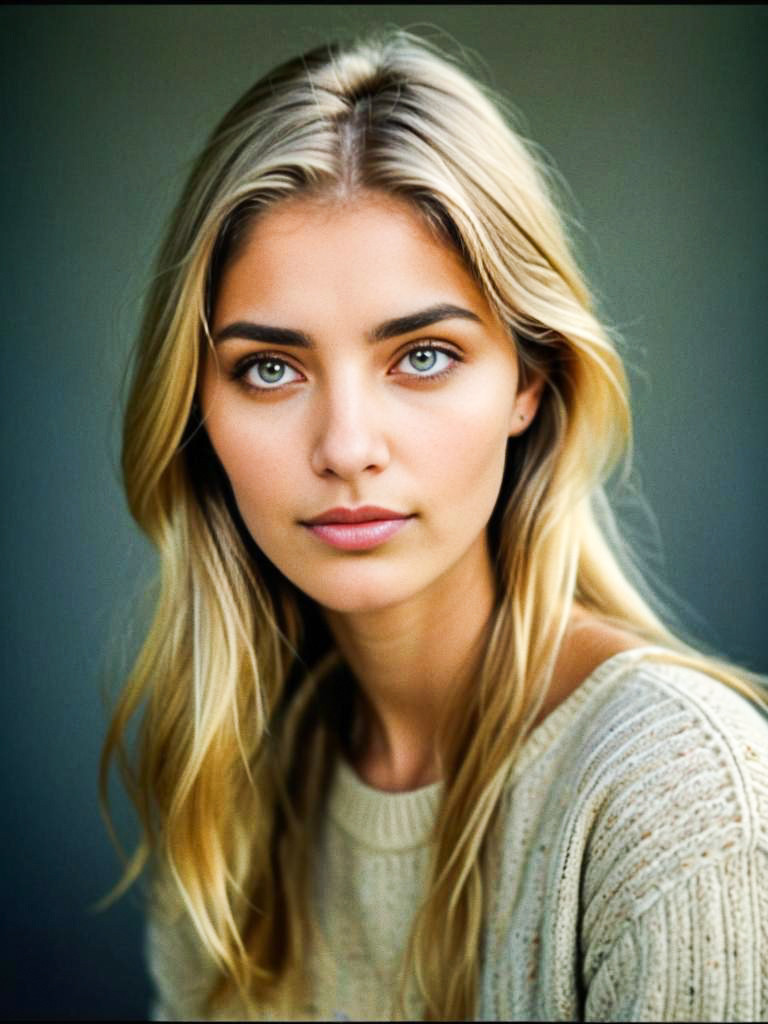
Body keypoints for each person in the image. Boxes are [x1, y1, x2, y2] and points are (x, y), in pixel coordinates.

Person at [100, 29, 768, 1022]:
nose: (347, 446)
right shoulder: (231, 782)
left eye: (421, 355)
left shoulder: (678, 792)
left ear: (530, 380)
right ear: (199, 410)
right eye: (270, 368)